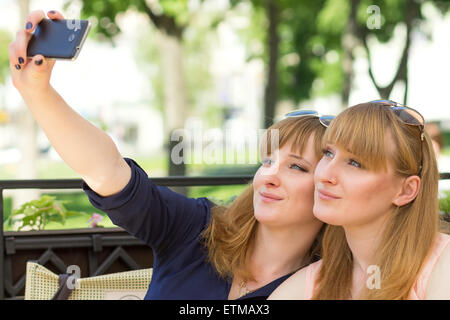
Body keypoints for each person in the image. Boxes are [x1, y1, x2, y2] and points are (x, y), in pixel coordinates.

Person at [9, 10, 330, 299]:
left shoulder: (331, 285)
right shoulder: (200, 231)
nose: (270, 176)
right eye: (269, 161)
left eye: (297, 167)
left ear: (330, 186)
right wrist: (38, 91)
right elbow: (110, 175)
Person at [269, 101, 450, 300]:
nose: (324, 174)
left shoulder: (441, 265)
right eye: (329, 153)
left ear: (406, 190)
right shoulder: (312, 284)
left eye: (355, 163)